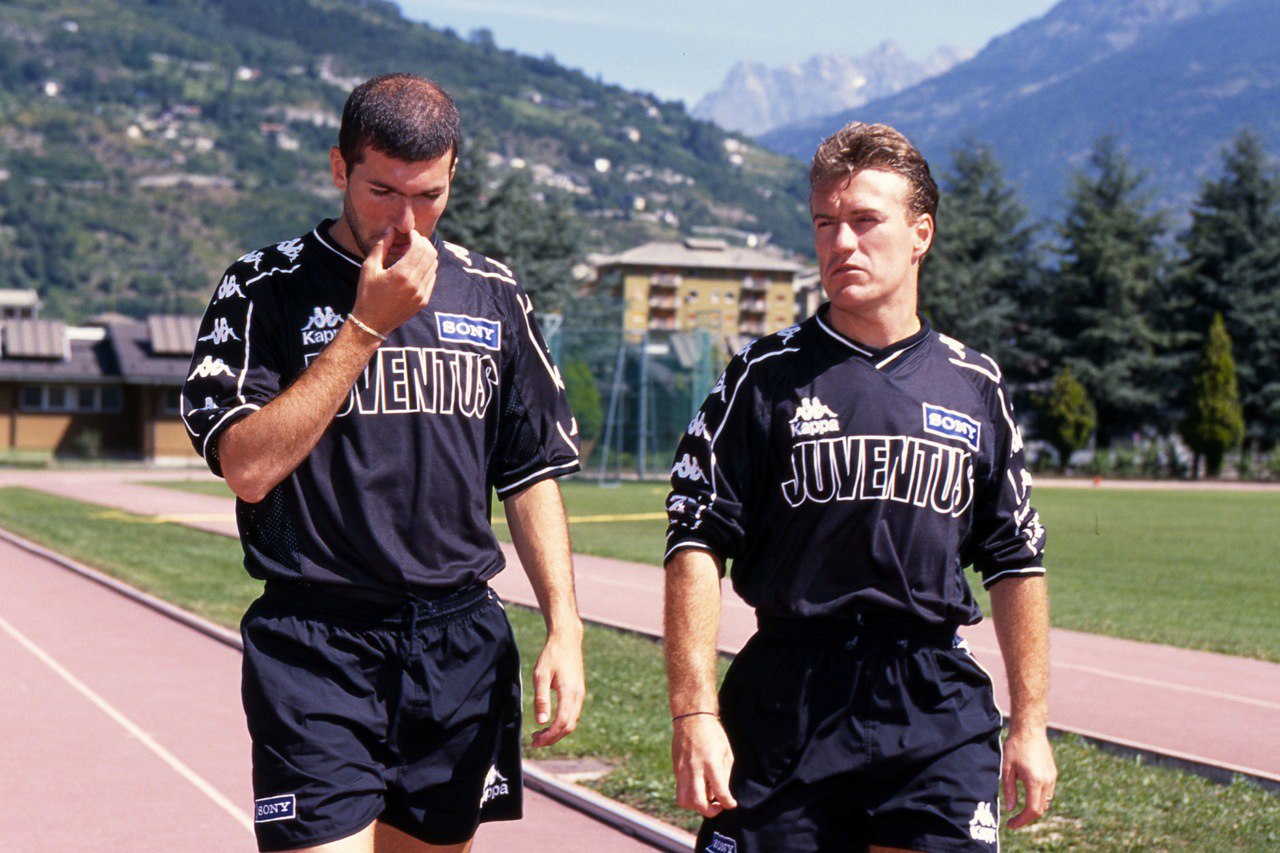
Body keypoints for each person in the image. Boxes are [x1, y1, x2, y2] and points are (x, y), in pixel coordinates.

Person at [182, 73, 585, 853]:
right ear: (340, 167)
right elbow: (247, 468)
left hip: (459, 643)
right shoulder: (263, 287)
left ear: (454, 174)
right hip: (318, 641)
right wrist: (365, 326)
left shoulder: (493, 292)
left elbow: (530, 473)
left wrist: (565, 628)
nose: (405, 220)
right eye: (381, 192)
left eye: (429, 195)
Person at [663, 121, 1056, 852]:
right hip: (790, 696)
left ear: (920, 233)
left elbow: (1015, 559)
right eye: (825, 223)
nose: (841, 243)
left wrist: (1030, 724)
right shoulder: (762, 378)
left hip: (931, 698)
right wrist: (694, 713)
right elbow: (694, 541)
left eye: (865, 220)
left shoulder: (974, 384)